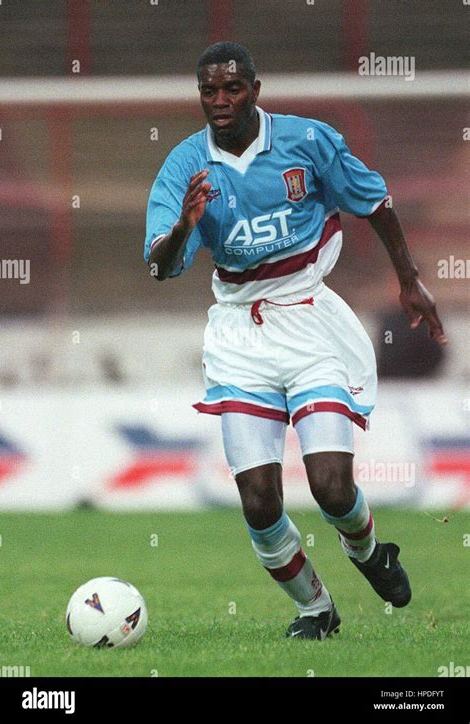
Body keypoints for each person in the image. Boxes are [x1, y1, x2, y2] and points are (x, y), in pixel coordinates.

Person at [144, 42, 447, 640]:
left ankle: (367, 552)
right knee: (259, 502)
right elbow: (159, 266)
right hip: (239, 334)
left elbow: (375, 200)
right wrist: (184, 225)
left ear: (256, 89)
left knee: (332, 488)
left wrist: (409, 280)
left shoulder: (308, 142)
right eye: (210, 91)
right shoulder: (184, 166)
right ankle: (316, 609)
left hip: (309, 320)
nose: (221, 101)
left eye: (233, 89)